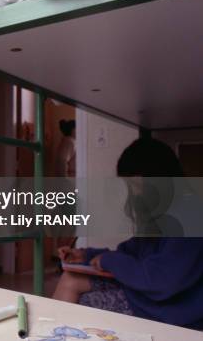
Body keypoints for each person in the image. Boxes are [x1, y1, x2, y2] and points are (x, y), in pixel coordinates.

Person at [52, 138, 203, 330]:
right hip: (149, 297)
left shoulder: (191, 215)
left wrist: (108, 261)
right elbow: (132, 252)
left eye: (135, 184)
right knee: (70, 279)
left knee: (86, 302)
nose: (135, 193)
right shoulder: (165, 210)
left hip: (171, 310)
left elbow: (161, 281)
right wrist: (87, 255)